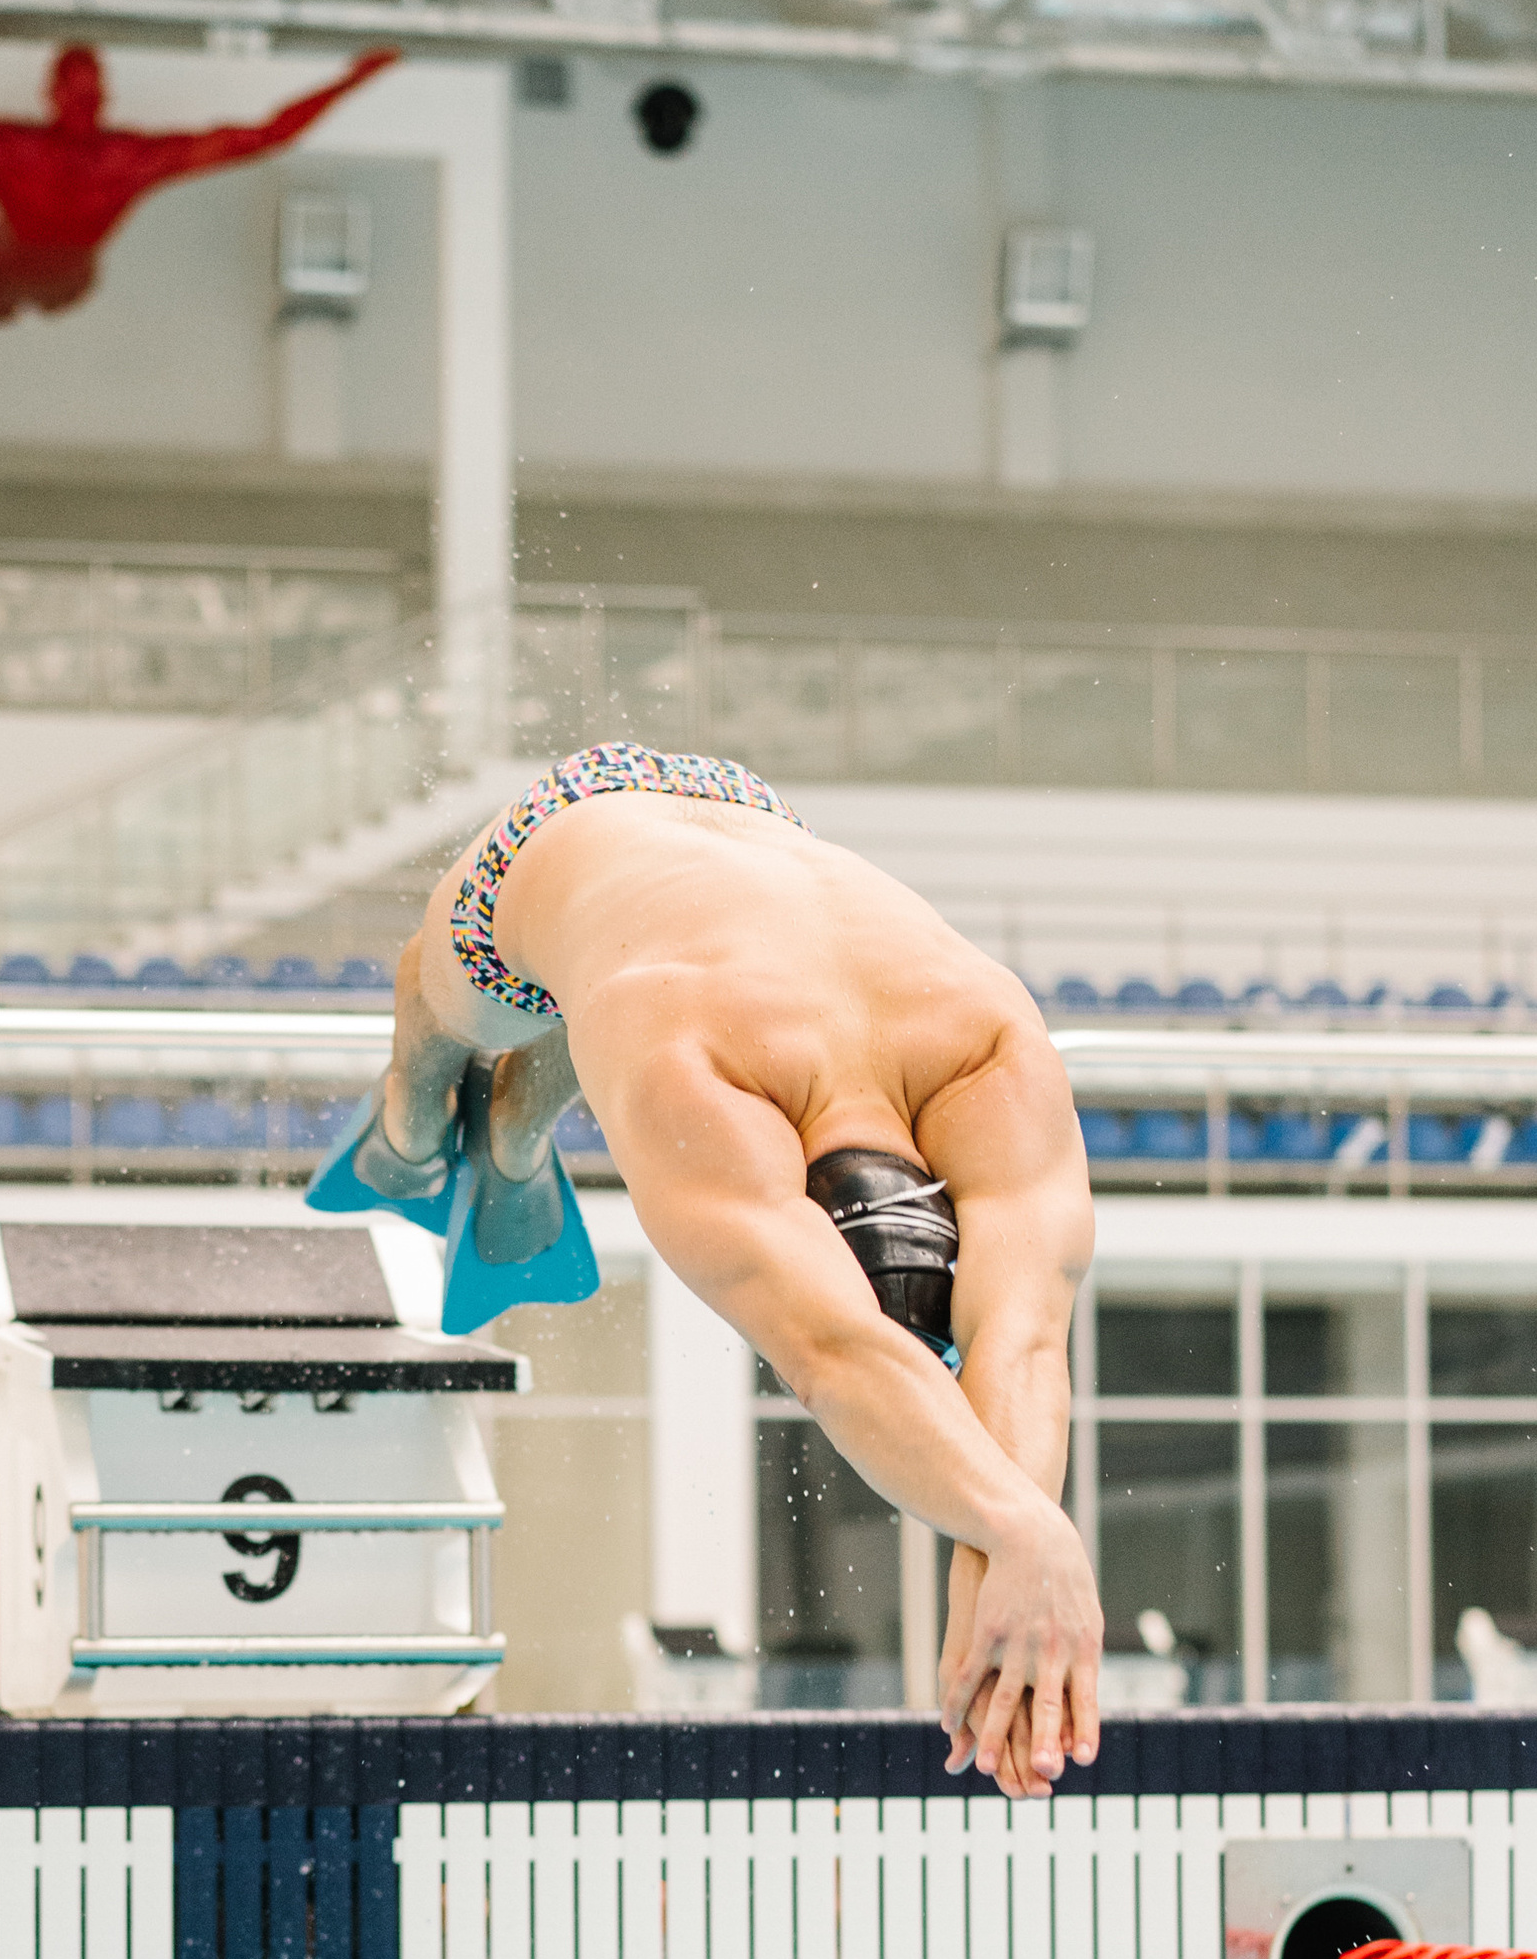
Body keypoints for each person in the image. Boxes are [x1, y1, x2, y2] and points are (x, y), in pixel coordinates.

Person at [310, 740, 1102, 1801]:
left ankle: (516, 1136)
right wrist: (1015, 1528)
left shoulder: (989, 1038)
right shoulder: (707, 1071)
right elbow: (836, 1349)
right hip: (553, 834)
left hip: (741, 819)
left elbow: (1021, 1335)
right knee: (448, 1006)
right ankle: (410, 1133)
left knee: (581, 998)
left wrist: (1016, 1550)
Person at [0, 10, 397, 320]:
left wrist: (355, 78)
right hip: (42, 173)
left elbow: (265, 138)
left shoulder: (99, 178)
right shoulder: (14, 165)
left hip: (72, 174)